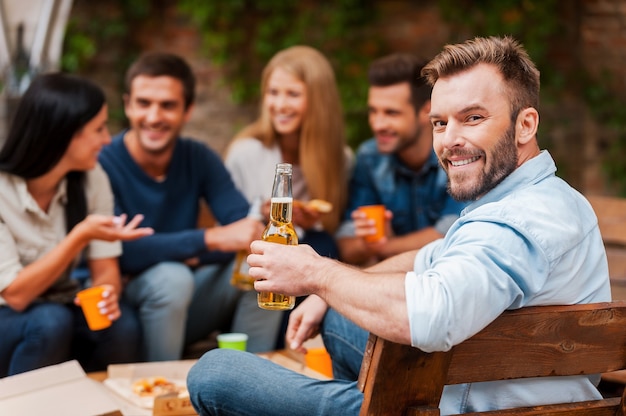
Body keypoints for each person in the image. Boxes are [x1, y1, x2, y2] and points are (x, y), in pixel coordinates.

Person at [186, 36, 611, 415]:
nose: (449, 140)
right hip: (468, 389)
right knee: (337, 318)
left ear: (526, 124)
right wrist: (324, 293)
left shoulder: (519, 219)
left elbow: (433, 315)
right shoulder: (530, 198)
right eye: (440, 123)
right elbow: (430, 257)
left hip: (460, 404)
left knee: (216, 373)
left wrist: (315, 273)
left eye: (473, 118)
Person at [98, 52, 267, 361]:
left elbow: (245, 232)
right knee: (171, 277)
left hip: (184, 300)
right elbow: (121, 251)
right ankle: (156, 394)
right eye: (144, 103)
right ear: (128, 105)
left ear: (188, 110)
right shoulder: (104, 162)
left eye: (167, 105)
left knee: (263, 266)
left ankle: (257, 384)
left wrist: (181, 250)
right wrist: (206, 240)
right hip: (124, 306)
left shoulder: (198, 157)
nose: (153, 116)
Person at [0, 73, 153, 377]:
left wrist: (107, 293)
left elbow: (105, 270)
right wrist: (79, 235)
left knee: (121, 326)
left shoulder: (92, 178)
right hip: (9, 314)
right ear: (63, 133)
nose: (108, 139)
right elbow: (15, 294)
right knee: (50, 322)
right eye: (98, 128)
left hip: (61, 304)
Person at [223, 45, 352, 348]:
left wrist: (309, 222)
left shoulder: (340, 159)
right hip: (243, 272)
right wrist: (258, 215)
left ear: (318, 101)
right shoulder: (246, 152)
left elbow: (332, 227)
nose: (279, 105)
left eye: (292, 94)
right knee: (274, 258)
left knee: (322, 245)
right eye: (273, 93)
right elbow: (225, 228)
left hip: (304, 272)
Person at [336, 53, 466, 267]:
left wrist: (385, 246)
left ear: (426, 110)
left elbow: (455, 236)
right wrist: (367, 243)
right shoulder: (370, 157)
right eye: (373, 111)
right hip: (390, 282)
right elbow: (347, 244)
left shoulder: (457, 153)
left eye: (391, 113)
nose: (378, 124)